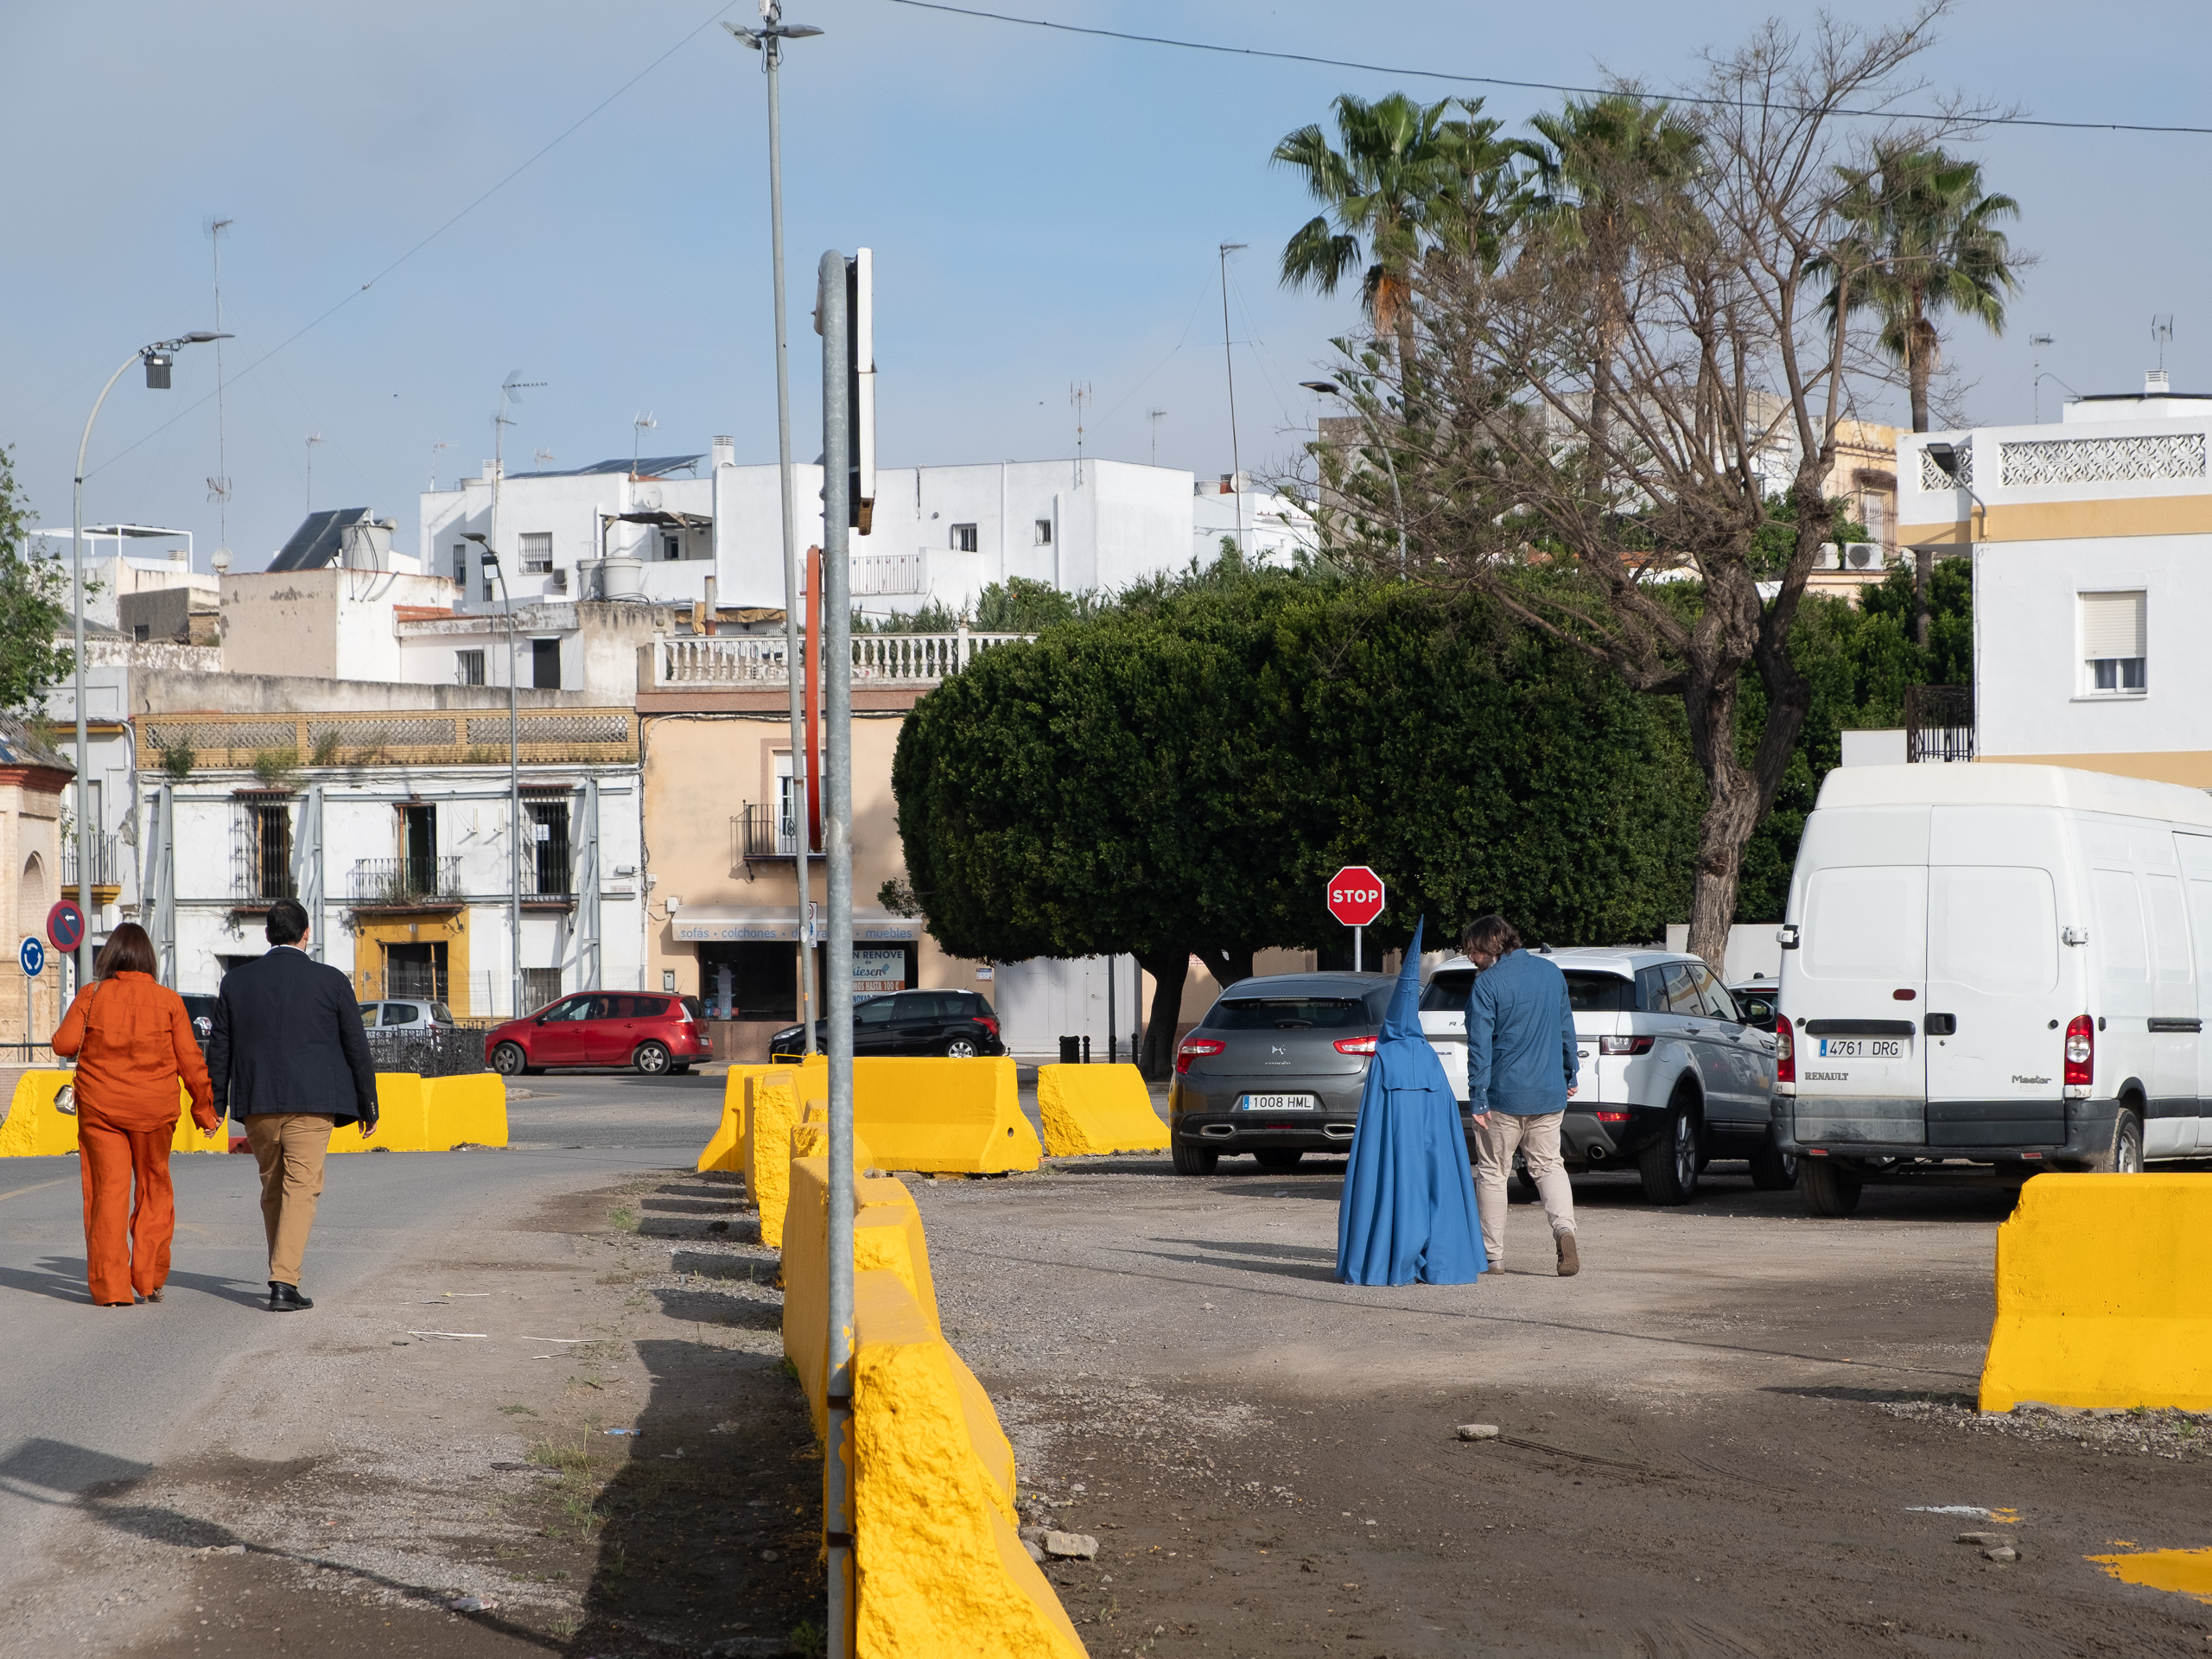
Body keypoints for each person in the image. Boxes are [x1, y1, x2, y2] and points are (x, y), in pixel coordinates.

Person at [207, 899, 378, 1312]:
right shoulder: (331, 981)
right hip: (313, 1104)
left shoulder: (236, 983)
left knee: (273, 1187)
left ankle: (281, 1272)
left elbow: (220, 1050)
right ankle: (284, 1282)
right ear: (307, 935)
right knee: (301, 1188)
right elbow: (356, 1047)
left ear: (267, 935)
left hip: (259, 1104)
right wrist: (368, 1105)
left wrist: (214, 1104)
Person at [49, 923, 220, 1307]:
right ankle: (147, 1279)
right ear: (148, 958)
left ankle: (111, 1289)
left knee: (107, 1194)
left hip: (100, 1109)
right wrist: (205, 1110)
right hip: (154, 1112)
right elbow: (191, 1062)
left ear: (110, 955)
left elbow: (64, 1044)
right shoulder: (169, 1001)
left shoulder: (91, 995)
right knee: (154, 1189)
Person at [1337, 918, 1486, 1286]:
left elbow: (1374, 1129)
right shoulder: (1429, 1055)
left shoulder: (1385, 1056)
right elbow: (1446, 1123)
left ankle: (1390, 1258)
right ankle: (1442, 1263)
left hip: (1396, 1145)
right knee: (1440, 1183)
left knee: (1391, 1183)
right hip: (1431, 1144)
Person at [1463, 913, 1581, 1277]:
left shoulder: (1487, 985)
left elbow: (1480, 1046)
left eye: (1473, 950)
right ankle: (1565, 1229)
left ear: (1492, 944)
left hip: (1503, 1095)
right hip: (1549, 1091)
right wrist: (1570, 1071)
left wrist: (1478, 1096)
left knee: (1494, 1173)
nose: (1470, 957)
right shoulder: (1551, 973)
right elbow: (1566, 1025)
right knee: (1549, 1166)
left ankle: (1493, 1256)